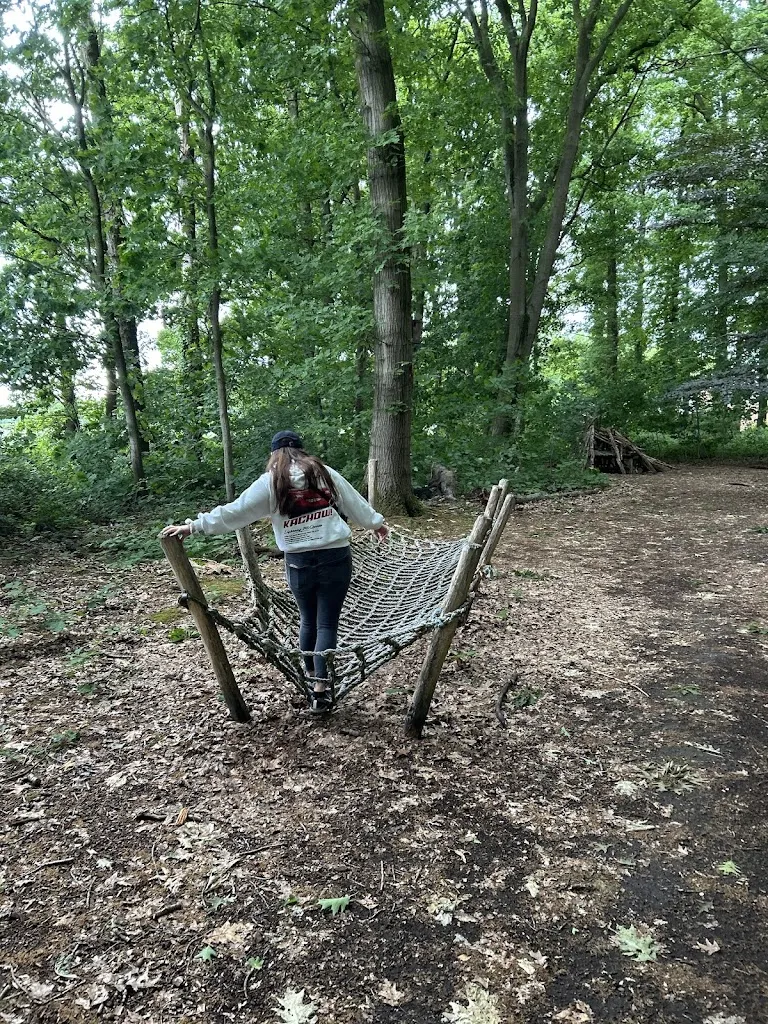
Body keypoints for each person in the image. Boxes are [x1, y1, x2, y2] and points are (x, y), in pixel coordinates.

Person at [160, 431, 389, 714]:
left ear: (274, 454)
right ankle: (321, 690)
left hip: (298, 561)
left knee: (308, 620)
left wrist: (194, 526)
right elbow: (354, 503)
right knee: (327, 623)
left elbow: (235, 512)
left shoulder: (271, 481)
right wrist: (376, 523)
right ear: (301, 451)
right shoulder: (325, 474)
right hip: (335, 556)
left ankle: (310, 677)